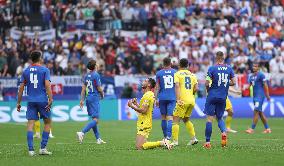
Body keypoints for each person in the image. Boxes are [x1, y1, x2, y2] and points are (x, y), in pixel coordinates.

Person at [17, 50, 53, 156]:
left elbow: (21, 89)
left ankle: (31, 150)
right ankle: (42, 148)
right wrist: (50, 98)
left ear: (31, 59)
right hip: (42, 100)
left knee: (30, 124)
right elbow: (47, 85)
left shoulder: (25, 71)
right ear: (40, 58)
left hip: (31, 101)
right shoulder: (45, 70)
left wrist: (18, 103)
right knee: (47, 123)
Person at [128, 78, 172, 150]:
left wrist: (132, 106)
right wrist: (136, 104)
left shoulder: (148, 95)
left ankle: (162, 142)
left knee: (139, 147)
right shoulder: (149, 94)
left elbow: (144, 110)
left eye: (145, 81)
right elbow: (145, 109)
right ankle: (163, 142)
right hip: (145, 121)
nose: (143, 81)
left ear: (149, 85)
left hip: (144, 123)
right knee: (141, 146)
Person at [203, 51, 235, 149]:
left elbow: (207, 83)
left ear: (216, 58)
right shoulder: (229, 69)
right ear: (223, 58)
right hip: (223, 97)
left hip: (212, 96)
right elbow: (233, 82)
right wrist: (224, 83)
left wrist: (208, 90)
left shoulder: (212, 68)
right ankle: (224, 133)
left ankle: (208, 142)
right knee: (220, 118)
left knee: (209, 119)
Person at [76, 60, 106, 144]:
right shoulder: (96, 75)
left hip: (88, 98)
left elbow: (83, 89)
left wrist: (82, 100)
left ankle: (98, 139)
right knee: (96, 120)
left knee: (94, 119)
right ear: (95, 66)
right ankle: (82, 132)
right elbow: (99, 88)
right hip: (94, 98)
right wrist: (102, 94)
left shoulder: (86, 75)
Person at [171, 58, 198, 146]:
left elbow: (177, 86)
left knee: (175, 120)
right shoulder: (193, 75)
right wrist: (191, 94)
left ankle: (175, 141)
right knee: (186, 119)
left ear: (179, 65)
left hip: (182, 100)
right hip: (191, 101)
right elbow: (196, 88)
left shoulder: (177, 74)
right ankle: (193, 138)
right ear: (188, 66)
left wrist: (178, 99)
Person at [245, 63, 271, 134]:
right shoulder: (251, 77)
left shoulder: (261, 75)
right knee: (260, 113)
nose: (254, 67)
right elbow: (249, 86)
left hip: (260, 96)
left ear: (258, 68)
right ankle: (267, 128)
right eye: (253, 66)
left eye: (256, 66)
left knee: (256, 111)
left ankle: (251, 129)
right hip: (255, 97)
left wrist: (267, 95)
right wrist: (240, 90)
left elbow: (265, 85)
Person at [155, 57, 176, 140]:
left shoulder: (159, 73)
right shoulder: (175, 72)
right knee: (170, 117)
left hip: (162, 97)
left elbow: (157, 87)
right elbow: (177, 86)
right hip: (172, 97)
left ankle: (164, 136)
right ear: (170, 63)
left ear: (163, 64)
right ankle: (168, 136)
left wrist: (156, 99)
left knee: (163, 117)